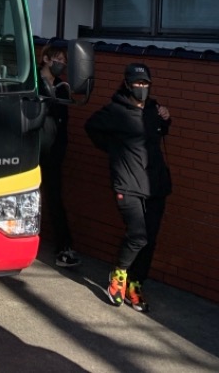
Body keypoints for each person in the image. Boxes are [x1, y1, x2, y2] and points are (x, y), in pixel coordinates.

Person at [85, 61, 172, 313]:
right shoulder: (115, 110)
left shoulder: (153, 108)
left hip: (156, 184)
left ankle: (136, 284)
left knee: (150, 240)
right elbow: (91, 127)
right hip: (128, 183)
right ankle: (119, 273)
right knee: (138, 235)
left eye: (145, 83)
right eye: (137, 83)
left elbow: (161, 130)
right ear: (126, 84)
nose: (141, 87)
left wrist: (166, 117)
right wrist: (115, 151)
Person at [38, 40, 81, 269]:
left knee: (55, 199)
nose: (61, 64)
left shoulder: (62, 88)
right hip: (32, 152)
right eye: (58, 59)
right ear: (46, 59)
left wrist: (61, 148)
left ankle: (64, 248)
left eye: (64, 61)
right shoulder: (33, 82)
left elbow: (63, 124)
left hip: (53, 154)